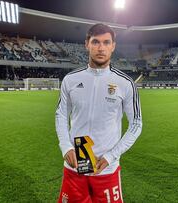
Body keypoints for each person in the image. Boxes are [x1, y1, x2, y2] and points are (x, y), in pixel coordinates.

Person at [55, 23, 142, 203]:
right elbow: (61, 115)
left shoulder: (125, 83)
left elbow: (136, 124)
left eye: (106, 42)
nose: (101, 48)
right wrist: (66, 147)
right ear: (87, 44)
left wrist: (110, 156)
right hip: (75, 168)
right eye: (95, 42)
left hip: (107, 169)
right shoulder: (70, 80)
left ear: (113, 46)